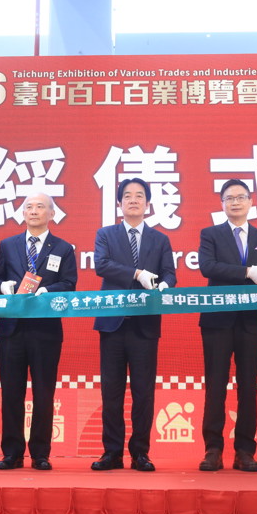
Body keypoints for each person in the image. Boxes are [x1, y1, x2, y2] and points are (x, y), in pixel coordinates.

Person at [91, 178, 176, 472]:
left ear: (147, 203)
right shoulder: (106, 234)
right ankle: (112, 453)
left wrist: (165, 285)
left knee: (143, 392)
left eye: (139, 196)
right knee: (111, 393)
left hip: (145, 325)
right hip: (112, 324)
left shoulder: (160, 239)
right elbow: (102, 265)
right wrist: (137, 273)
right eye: (127, 196)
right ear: (119, 203)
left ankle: (141, 452)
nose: (133, 200)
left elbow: (169, 273)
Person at [196, 178, 257, 473]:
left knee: (248, 385)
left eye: (241, 197)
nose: (235, 202)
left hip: (251, 320)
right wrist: (247, 272)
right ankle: (213, 449)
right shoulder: (211, 234)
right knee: (215, 384)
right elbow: (208, 267)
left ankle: (244, 450)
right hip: (217, 319)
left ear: (251, 202)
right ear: (222, 204)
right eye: (229, 198)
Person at [0, 192, 77, 471]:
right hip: (11, 329)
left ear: (51, 214)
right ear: (23, 213)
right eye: (28, 206)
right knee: (11, 392)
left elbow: (69, 284)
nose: (33, 211)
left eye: (40, 206)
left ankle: (41, 453)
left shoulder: (63, 248)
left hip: (45, 330)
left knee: (43, 393)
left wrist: (47, 290)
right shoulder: (8, 245)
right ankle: (12, 452)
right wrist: (3, 286)